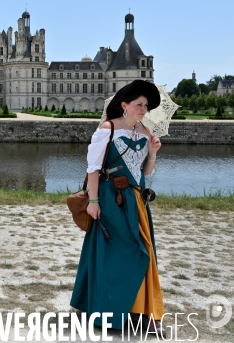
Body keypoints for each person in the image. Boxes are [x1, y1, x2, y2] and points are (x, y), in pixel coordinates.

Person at [70, 80, 165, 334]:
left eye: (146, 105)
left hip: (136, 202)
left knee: (142, 252)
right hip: (111, 200)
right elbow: (93, 170)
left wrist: (153, 152)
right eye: (139, 104)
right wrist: (93, 202)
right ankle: (109, 312)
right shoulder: (107, 129)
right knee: (115, 254)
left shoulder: (145, 132)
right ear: (124, 105)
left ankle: (143, 312)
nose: (144, 109)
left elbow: (145, 171)